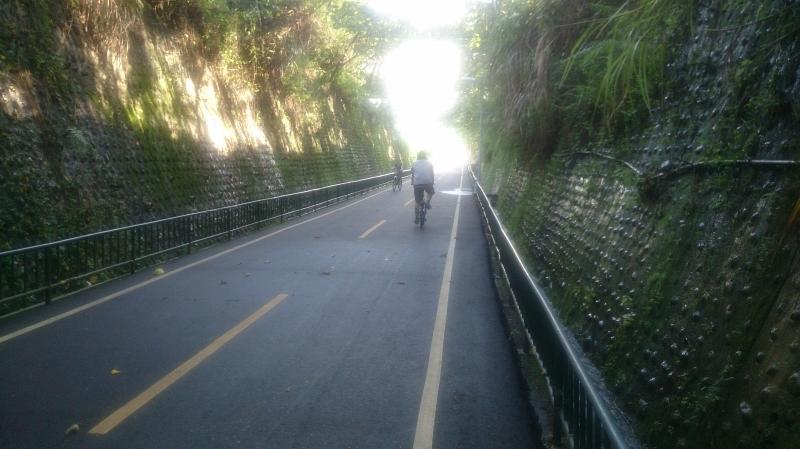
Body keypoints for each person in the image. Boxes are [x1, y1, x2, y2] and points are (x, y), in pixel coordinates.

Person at [410, 151, 434, 224]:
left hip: (417, 183)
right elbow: (431, 173)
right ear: (425, 156)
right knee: (431, 192)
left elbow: (413, 173)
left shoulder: (414, 163)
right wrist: (432, 182)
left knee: (417, 201)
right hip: (427, 182)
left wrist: (412, 182)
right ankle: (428, 202)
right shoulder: (429, 162)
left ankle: (416, 217)